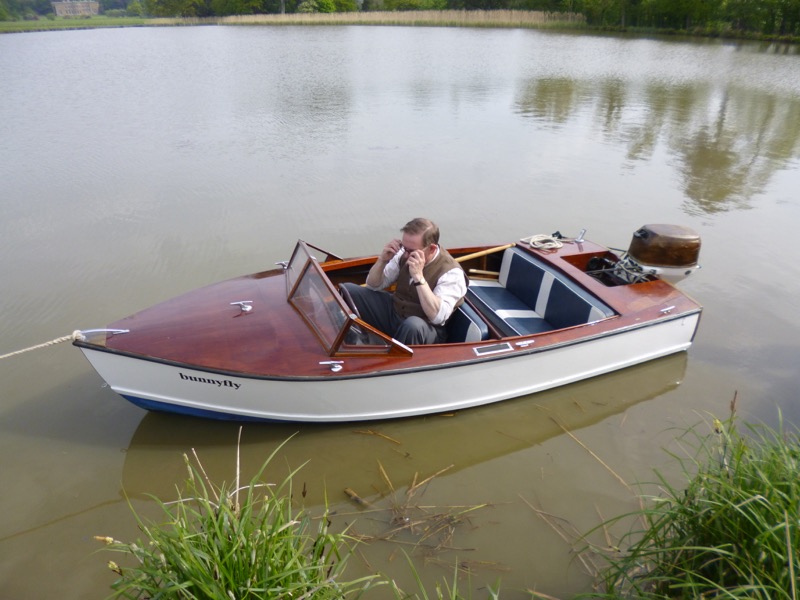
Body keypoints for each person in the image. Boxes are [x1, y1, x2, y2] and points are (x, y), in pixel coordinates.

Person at [341, 218, 468, 345]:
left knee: (412, 326)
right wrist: (382, 260)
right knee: (348, 291)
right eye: (404, 247)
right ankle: (345, 343)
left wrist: (419, 278)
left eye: (411, 251)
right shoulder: (405, 252)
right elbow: (374, 285)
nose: (406, 255)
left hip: (425, 329)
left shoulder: (452, 273)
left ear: (432, 249)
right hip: (395, 313)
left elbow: (437, 317)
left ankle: (393, 360)